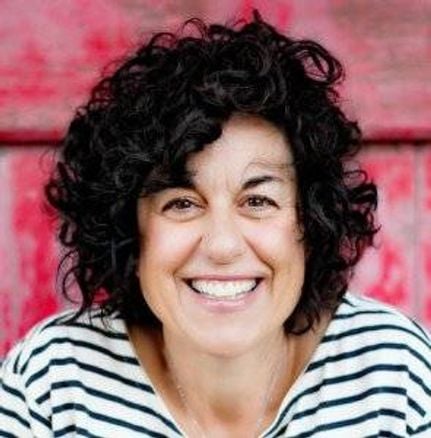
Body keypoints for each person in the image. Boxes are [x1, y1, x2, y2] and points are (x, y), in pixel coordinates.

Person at [1, 11, 430, 437]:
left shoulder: (394, 378)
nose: (222, 245)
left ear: (310, 223)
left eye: (258, 200)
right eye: (182, 203)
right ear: (131, 230)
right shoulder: (54, 385)